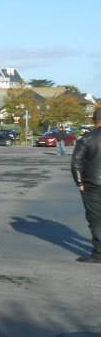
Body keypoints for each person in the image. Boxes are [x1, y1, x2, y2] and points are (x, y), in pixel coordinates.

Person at [71, 109, 101, 263]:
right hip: (93, 182)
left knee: (96, 218)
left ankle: (98, 253)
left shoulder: (87, 138)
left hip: (93, 183)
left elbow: (76, 163)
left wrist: (79, 182)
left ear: (93, 119)